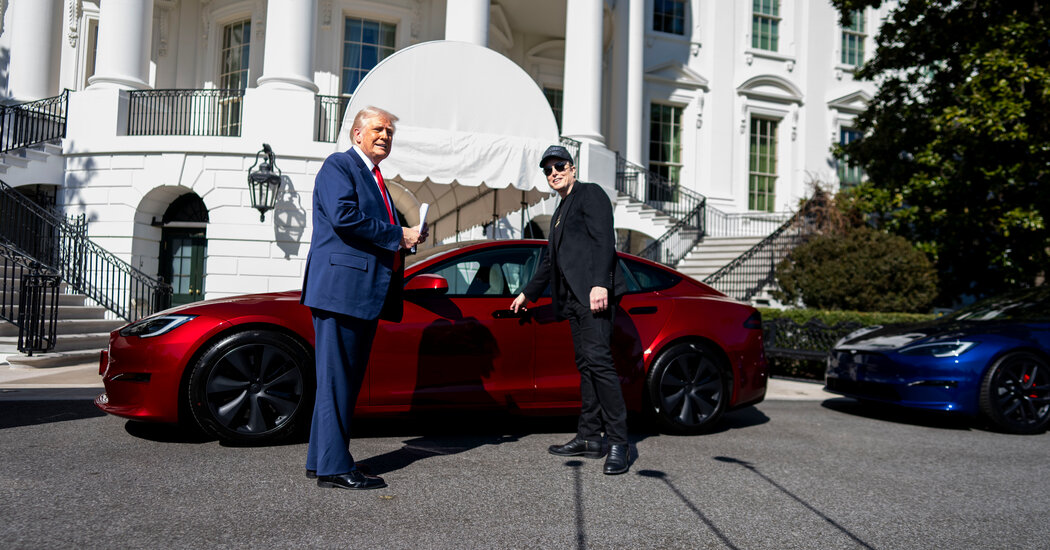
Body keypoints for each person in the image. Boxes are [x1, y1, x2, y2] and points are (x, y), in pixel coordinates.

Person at [301, 106, 426, 490]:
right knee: (339, 380)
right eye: (377, 129)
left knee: (339, 381)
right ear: (357, 134)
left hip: (357, 294)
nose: (385, 136)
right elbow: (343, 216)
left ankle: (321, 460)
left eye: (390, 131)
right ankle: (335, 469)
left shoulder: (376, 178)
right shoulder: (340, 165)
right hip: (341, 291)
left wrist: (406, 239)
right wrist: (397, 235)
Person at [510, 145, 631, 475]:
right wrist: (527, 293)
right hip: (573, 301)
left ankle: (619, 441)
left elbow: (605, 239)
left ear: (573, 168)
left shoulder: (590, 194)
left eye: (559, 165)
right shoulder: (560, 211)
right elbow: (550, 262)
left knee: (600, 364)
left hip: (593, 295)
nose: (554, 173)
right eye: (548, 170)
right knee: (587, 366)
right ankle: (590, 437)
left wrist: (600, 283)